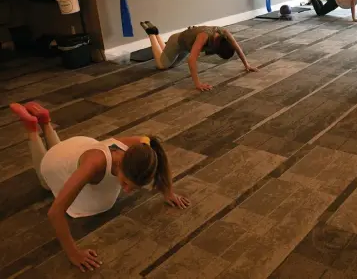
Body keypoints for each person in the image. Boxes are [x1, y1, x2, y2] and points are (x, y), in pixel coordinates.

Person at [9, 101, 190, 272]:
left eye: (133, 188)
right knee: (46, 181)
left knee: (65, 159)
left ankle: (46, 121)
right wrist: (74, 253)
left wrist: (168, 193)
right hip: (64, 160)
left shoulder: (142, 146)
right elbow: (55, 212)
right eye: (126, 183)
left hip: (78, 148)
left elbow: (161, 160)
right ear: (120, 166)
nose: (126, 191)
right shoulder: (94, 165)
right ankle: (32, 128)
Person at [141, 21, 258, 92]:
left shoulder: (224, 33)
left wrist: (247, 65)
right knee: (162, 65)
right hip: (177, 42)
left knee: (171, 64)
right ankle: (152, 33)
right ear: (217, 47)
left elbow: (237, 48)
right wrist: (197, 84)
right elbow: (191, 60)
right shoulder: (204, 36)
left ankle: (156, 34)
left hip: (186, 45)